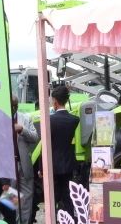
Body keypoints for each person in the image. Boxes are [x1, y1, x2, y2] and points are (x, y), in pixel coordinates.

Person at [48, 85, 80, 220]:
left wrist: (41, 168)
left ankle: (54, 218)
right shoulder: (74, 120)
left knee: (53, 195)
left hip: (53, 165)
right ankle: (69, 219)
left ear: (55, 101)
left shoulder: (50, 120)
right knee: (67, 196)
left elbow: (46, 146)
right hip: (68, 163)